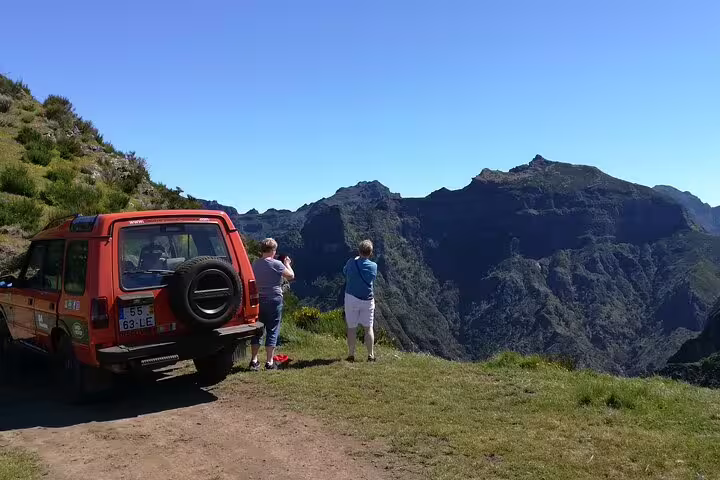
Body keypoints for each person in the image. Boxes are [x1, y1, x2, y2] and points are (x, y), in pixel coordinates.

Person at [249, 238, 294, 371]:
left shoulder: (255, 264)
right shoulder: (277, 264)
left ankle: (254, 360)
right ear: (273, 250)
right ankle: (269, 362)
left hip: (258, 300)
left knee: (257, 330)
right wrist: (287, 263)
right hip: (274, 299)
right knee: (273, 330)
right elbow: (291, 275)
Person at [343, 239, 378, 362]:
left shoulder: (351, 262)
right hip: (367, 300)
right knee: (368, 328)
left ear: (359, 250)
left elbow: (345, 272)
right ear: (371, 252)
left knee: (351, 327)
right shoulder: (373, 266)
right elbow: (372, 278)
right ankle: (370, 355)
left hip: (351, 298)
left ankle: (351, 355)